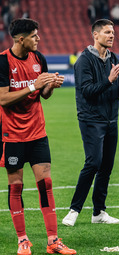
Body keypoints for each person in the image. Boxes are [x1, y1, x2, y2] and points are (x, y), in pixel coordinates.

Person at [0, 18, 76, 255]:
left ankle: (53, 240)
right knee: (16, 186)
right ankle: (23, 240)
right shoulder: (3, 61)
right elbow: (3, 99)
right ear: (21, 39)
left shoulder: (39, 58)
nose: (38, 39)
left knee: (46, 184)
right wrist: (33, 86)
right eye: (34, 35)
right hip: (11, 134)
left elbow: (44, 95)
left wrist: (50, 85)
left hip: (37, 132)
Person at [62, 19, 119, 227]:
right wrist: (108, 80)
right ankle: (74, 210)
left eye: (113, 33)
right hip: (91, 119)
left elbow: (118, 91)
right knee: (93, 162)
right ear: (96, 35)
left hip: (111, 120)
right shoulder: (84, 61)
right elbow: (88, 91)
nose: (112, 36)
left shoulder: (113, 58)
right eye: (108, 32)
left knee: (106, 166)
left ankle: (99, 212)